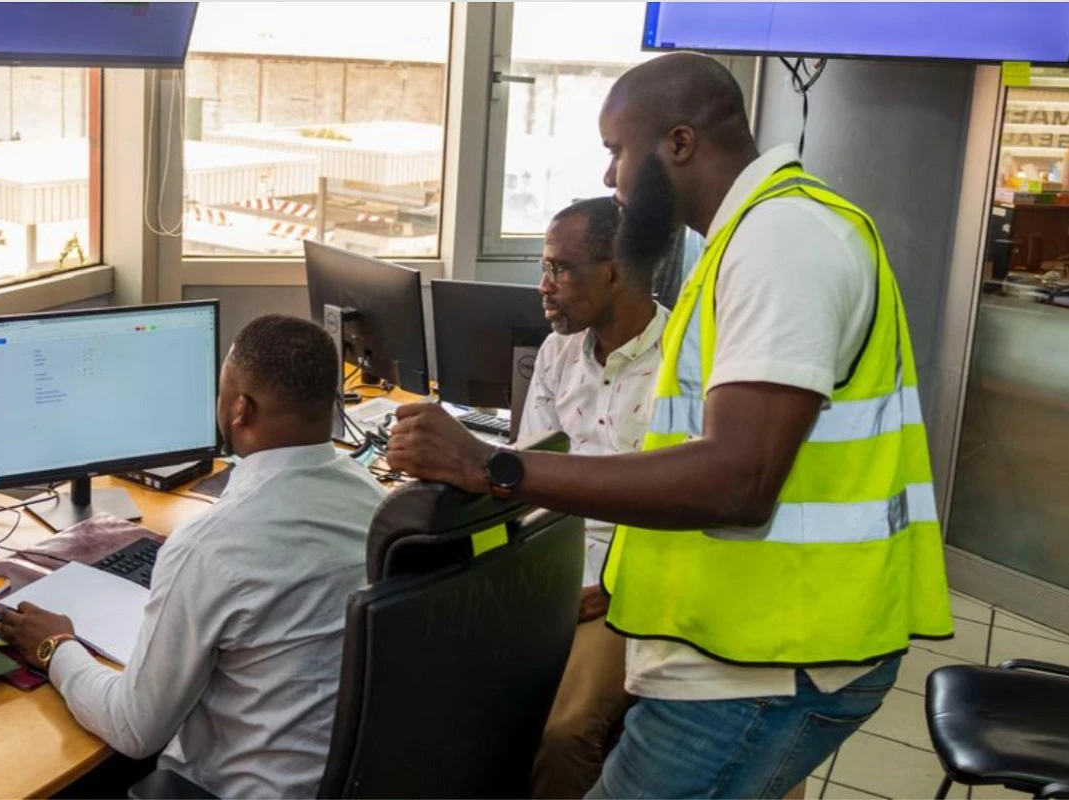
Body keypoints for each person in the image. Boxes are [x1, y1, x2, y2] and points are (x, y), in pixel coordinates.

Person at [385, 52, 953, 798]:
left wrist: (492, 468)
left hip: (771, 659)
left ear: (678, 144)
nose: (609, 176)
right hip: (730, 640)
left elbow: (737, 481)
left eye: (616, 151)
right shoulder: (741, 243)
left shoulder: (783, 241)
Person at [0, 314, 385, 798]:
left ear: (240, 409)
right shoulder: (377, 504)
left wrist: (56, 646)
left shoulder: (212, 545)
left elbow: (133, 729)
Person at [522, 197, 667, 799]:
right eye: (544, 266)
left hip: (624, 586)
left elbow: (686, 506)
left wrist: (613, 584)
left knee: (565, 731)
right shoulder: (559, 352)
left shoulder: (684, 361)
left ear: (614, 272)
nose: (544, 286)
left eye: (560, 268)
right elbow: (529, 470)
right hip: (549, 567)